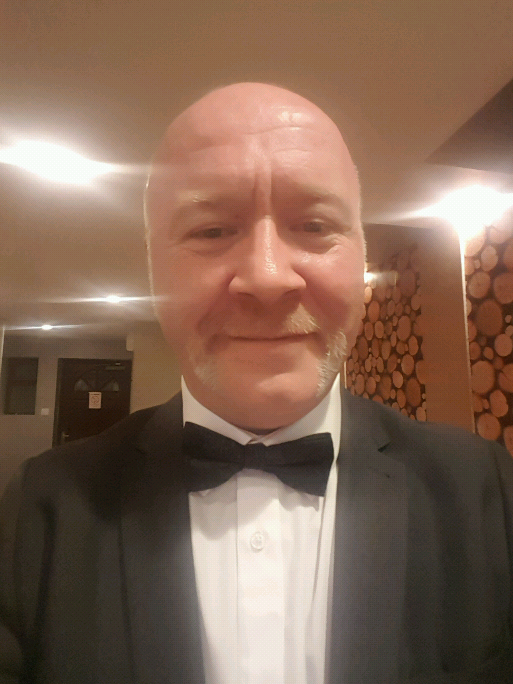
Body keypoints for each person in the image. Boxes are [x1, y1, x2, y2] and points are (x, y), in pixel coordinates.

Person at [1, 82, 512, 684]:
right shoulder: (39, 509)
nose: (268, 279)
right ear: (152, 264)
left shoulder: (487, 491)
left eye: (315, 225)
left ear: (360, 254)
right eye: (212, 231)